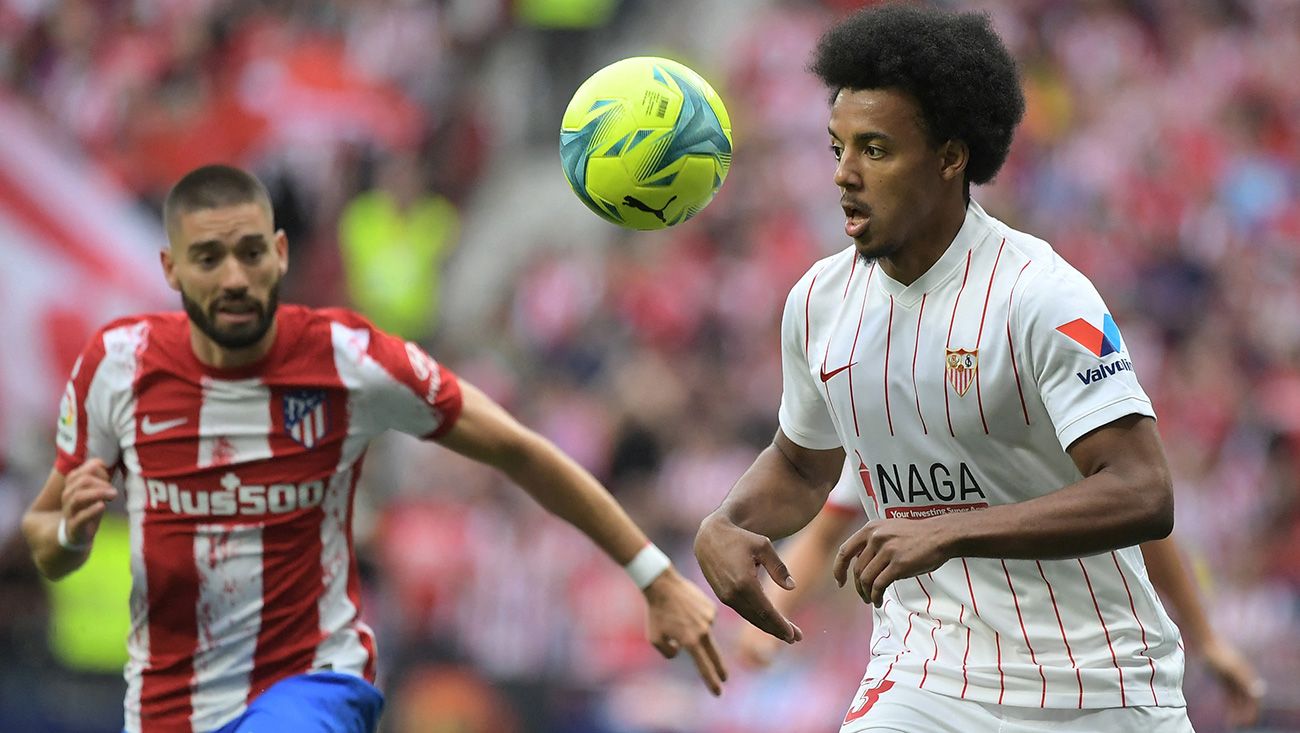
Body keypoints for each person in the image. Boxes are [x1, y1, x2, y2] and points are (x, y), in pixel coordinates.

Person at [21, 164, 726, 733]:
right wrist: (70, 535)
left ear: (281, 254)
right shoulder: (119, 365)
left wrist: (654, 574)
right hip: (168, 701)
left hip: (307, 684)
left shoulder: (346, 358)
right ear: (172, 268)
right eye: (209, 258)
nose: (234, 276)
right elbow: (46, 537)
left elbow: (518, 449)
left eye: (250, 252)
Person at [695, 4, 1192, 731]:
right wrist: (727, 520)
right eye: (836, 148)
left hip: (1098, 682)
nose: (844, 176)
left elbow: (1144, 490)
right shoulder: (817, 304)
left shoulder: (1042, 295)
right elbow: (803, 467)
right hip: (928, 674)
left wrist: (952, 529)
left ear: (951, 156)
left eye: (875, 150)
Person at [736, 463, 1266, 728]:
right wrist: (770, 614)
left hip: (1088, 673)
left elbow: (1143, 512)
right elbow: (828, 530)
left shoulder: (1036, 383)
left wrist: (1207, 638)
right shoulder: (882, 408)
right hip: (941, 671)